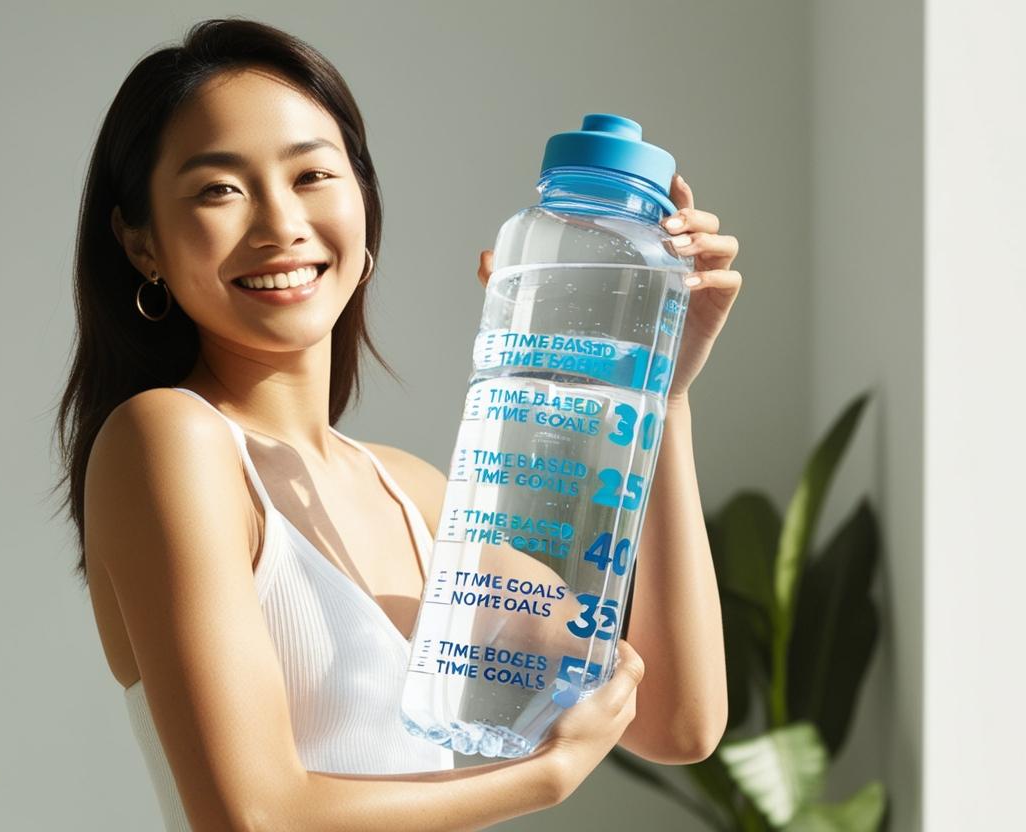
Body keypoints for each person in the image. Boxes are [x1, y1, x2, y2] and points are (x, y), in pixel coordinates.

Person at [53, 18, 739, 831]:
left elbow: (674, 719)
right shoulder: (167, 438)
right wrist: (544, 776)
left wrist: (662, 396)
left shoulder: (411, 492)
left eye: (312, 174)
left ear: (364, 203)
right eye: (219, 189)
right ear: (141, 244)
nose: (280, 224)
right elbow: (251, 816)